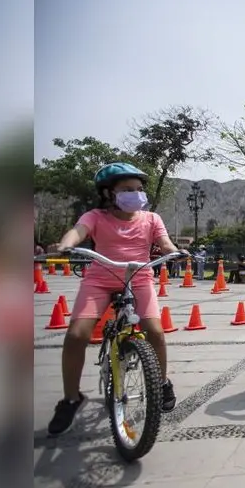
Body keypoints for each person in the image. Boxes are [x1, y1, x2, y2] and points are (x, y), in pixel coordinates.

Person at [47, 163, 188, 436]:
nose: (135, 194)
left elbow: (164, 243)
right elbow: (78, 231)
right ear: (109, 193)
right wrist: (65, 245)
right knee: (77, 335)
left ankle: (161, 383)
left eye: (138, 189)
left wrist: (174, 251)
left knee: (155, 332)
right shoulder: (96, 216)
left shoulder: (151, 219)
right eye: (127, 190)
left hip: (140, 278)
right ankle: (71, 399)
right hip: (99, 278)